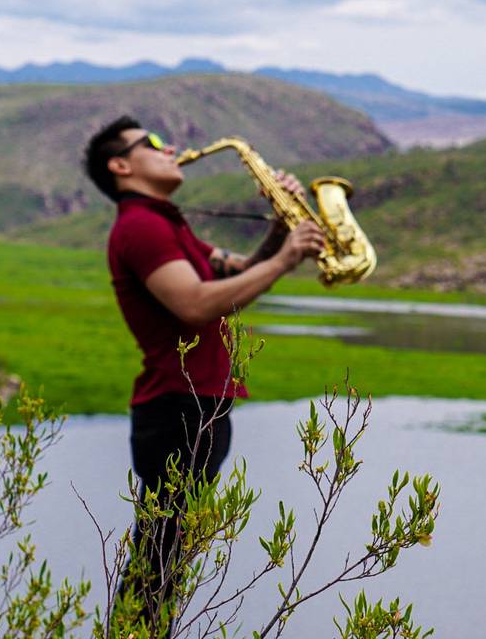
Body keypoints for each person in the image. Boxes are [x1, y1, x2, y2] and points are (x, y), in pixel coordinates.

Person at [82, 115, 324, 633]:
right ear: (120, 166)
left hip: (193, 408)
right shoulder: (142, 227)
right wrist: (285, 260)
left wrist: (282, 229)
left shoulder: (165, 222)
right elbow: (194, 305)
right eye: (151, 143)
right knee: (157, 570)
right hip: (177, 412)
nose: (170, 148)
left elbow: (231, 274)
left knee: (164, 567)